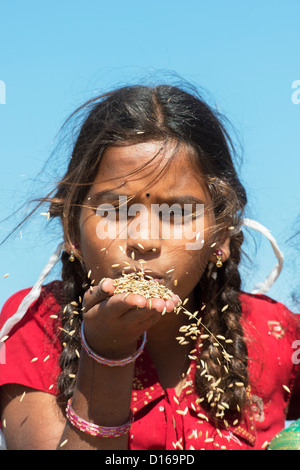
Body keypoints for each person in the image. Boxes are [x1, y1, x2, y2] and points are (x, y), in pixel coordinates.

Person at [0, 83, 299, 450]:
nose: (143, 240)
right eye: (116, 210)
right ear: (71, 229)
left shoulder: (274, 334)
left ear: (220, 235)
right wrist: (107, 354)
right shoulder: (36, 325)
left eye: (178, 214)